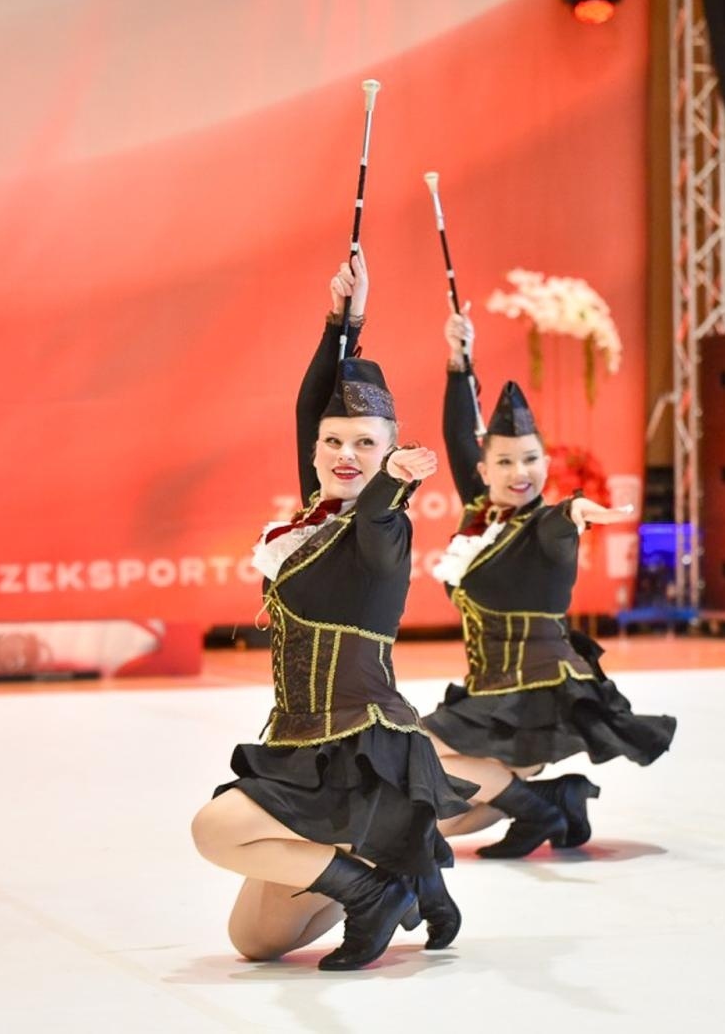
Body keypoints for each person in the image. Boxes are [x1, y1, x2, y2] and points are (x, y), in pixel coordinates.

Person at [191, 254, 476, 971]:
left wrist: (395, 482)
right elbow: (308, 403)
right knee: (254, 940)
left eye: (367, 445)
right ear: (315, 450)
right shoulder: (309, 518)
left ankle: (373, 888)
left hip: (359, 752)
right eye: (334, 442)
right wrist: (343, 320)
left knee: (214, 827)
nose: (347, 455)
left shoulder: (380, 528)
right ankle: (388, 875)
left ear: (389, 452)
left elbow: (380, 508)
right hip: (298, 751)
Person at [420, 307, 675, 858]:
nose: (520, 472)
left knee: (413, 755)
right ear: (486, 470)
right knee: (438, 822)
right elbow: (459, 438)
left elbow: (568, 515)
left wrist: (586, 510)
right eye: (506, 460)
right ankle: (552, 799)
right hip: (488, 698)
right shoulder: (482, 516)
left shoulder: (546, 525)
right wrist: (458, 363)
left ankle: (536, 805)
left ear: (545, 461)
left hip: (532, 705)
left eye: (531, 459)